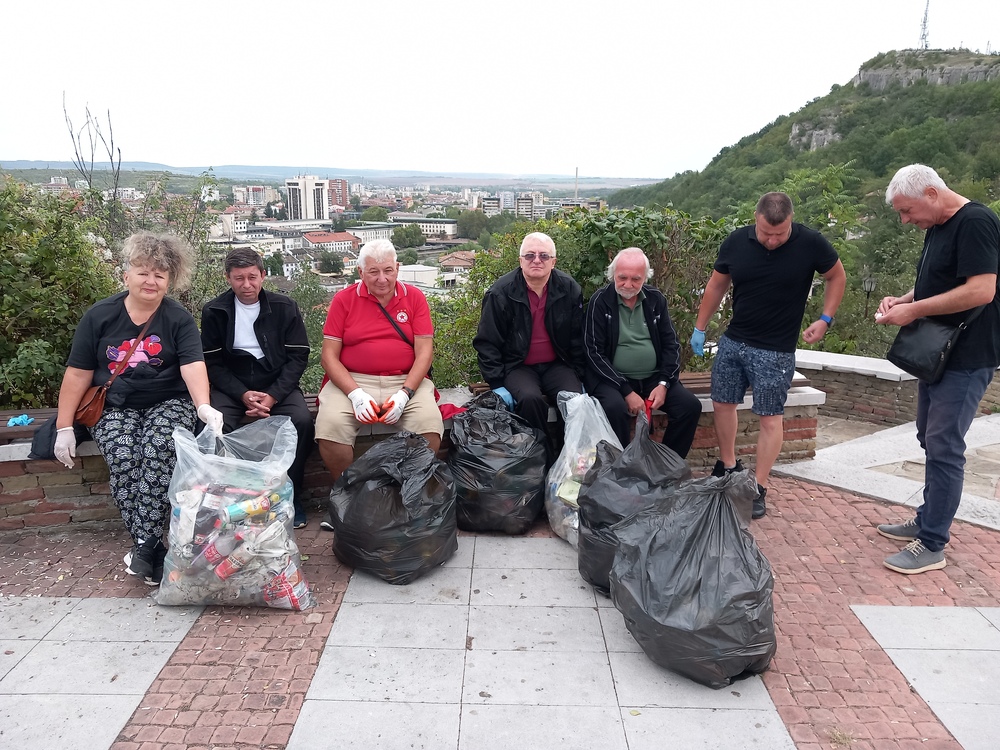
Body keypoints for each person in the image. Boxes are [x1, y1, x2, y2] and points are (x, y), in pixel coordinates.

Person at [53, 232, 225, 585]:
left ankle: (144, 549)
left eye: (159, 275)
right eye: (143, 272)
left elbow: (192, 365)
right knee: (123, 456)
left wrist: (203, 406)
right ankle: (152, 547)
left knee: (158, 449)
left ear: (170, 281)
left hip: (169, 401)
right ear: (126, 275)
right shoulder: (100, 316)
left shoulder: (177, 318)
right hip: (114, 403)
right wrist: (63, 427)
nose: (151, 281)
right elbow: (78, 373)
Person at [875, 164, 1000, 574]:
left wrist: (914, 311)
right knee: (928, 436)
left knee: (944, 445)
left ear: (931, 193)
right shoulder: (938, 225)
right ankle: (928, 518)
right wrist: (904, 299)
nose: (905, 220)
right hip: (939, 353)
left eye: (907, 210)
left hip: (968, 355)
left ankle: (932, 543)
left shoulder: (976, 222)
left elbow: (981, 289)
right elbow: (940, 281)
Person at [691, 192, 846, 519]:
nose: (773, 240)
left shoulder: (811, 243)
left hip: (775, 351)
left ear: (791, 221)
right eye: (766, 233)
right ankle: (729, 466)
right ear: (756, 219)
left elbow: (836, 276)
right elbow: (717, 285)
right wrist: (700, 327)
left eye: (780, 233)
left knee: (770, 417)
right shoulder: (736, 241)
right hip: (734, 341)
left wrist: (825, 318)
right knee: (722, 403)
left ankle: (758, 486)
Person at [315, 239, 443, 530]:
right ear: (361, 272)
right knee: (331, 426)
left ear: (398, 268)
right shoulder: (343, 300)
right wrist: (355, 394)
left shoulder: (415, 298)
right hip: (353, 379)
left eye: (388, 270)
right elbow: (329, 357)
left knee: (428, 424)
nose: (382, 278)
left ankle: (408, 494)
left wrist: (405, 394)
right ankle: (345, 496)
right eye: (373, 272)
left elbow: (424, 353)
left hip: (405, 378)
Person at [200, 247, 314, 529]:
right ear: (228, 278)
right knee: (213, 427)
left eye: (252, 277)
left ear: (263, 275)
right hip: (232, 384)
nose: (247, 285)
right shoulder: (215, 311)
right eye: (239, 278)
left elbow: (298, 356)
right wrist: (242, 394)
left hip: (276, 382)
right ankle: (227, 500)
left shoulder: (284, 307)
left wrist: (273, 396)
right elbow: (212, 362)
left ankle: (291, 494)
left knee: (301, 421)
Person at [583, 247, 701, 456]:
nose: (628, 284)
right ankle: (619, 466)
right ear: (613, 274)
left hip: (653, 378)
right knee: (614, 409)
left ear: (645, 278)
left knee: (689, 407)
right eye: (622, 278)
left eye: (635, 279)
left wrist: (664, 384)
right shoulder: (600, 301)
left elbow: (671, 345)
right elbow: (593, 352)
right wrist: (627, 391)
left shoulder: (656, 300)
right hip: (612, 379)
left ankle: (666, 464)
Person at [473, 232, 585, 438]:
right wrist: (496, 382)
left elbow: (577, 337)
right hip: (517, 365)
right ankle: (538, 453)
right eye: (530, 255)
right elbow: (487, 341)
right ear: (520, 260)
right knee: (530, 399)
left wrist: (580, 375)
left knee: (574, 400)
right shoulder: (500, 293)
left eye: (544, 256)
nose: (536, 260)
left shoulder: (569, 289)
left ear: (553, 262)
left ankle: (569, 454)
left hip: (557, 364)